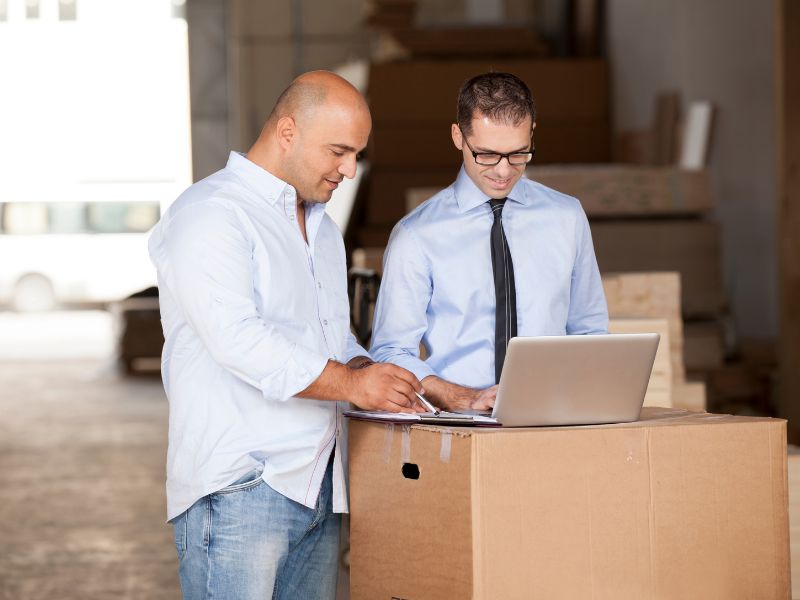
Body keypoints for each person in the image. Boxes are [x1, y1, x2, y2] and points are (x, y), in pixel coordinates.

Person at [149, 71, 424, 600]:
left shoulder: (321, 229)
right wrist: (350, 385)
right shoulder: (212, 214)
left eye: (356, 155)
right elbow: (237, 339)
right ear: (289, 132)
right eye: (339, 151)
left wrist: (370, 373)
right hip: (241, 487)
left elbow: (331, 340)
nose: (349, 169)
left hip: (316, 482)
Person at [370, 71, 608, 412]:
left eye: (518, 154)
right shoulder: (416, 235)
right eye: (486, 154)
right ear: (458, 136)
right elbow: (391, 352)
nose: (503, 170)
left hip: (554, 418)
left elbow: (590, 331)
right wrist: (463, 398)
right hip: (460, 425)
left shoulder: (567, 217)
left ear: (532, 135)